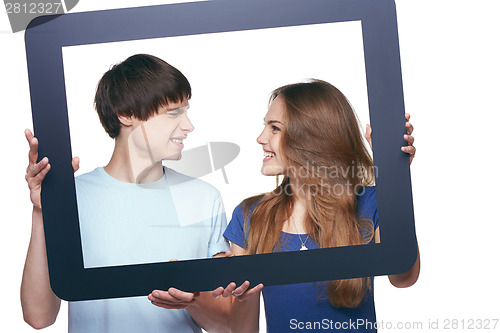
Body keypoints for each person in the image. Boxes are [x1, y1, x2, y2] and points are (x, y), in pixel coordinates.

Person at [21, 54, 231, 333]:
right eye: (174, 113)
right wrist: (42, 210)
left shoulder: (205, 198)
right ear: (126, 114)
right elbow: (39, 317)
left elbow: (228, 326)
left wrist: (191, 300)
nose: (188, 125)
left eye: (186, 111)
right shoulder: (75, 198)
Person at [213, 79, 419, 332]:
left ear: (313, 137)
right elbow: (243, 329)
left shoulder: (370, 202)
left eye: (275, 128)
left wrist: (393, 177)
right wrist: (237, 294)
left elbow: (404, 277)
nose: (260, 138)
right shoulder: (250, 215)